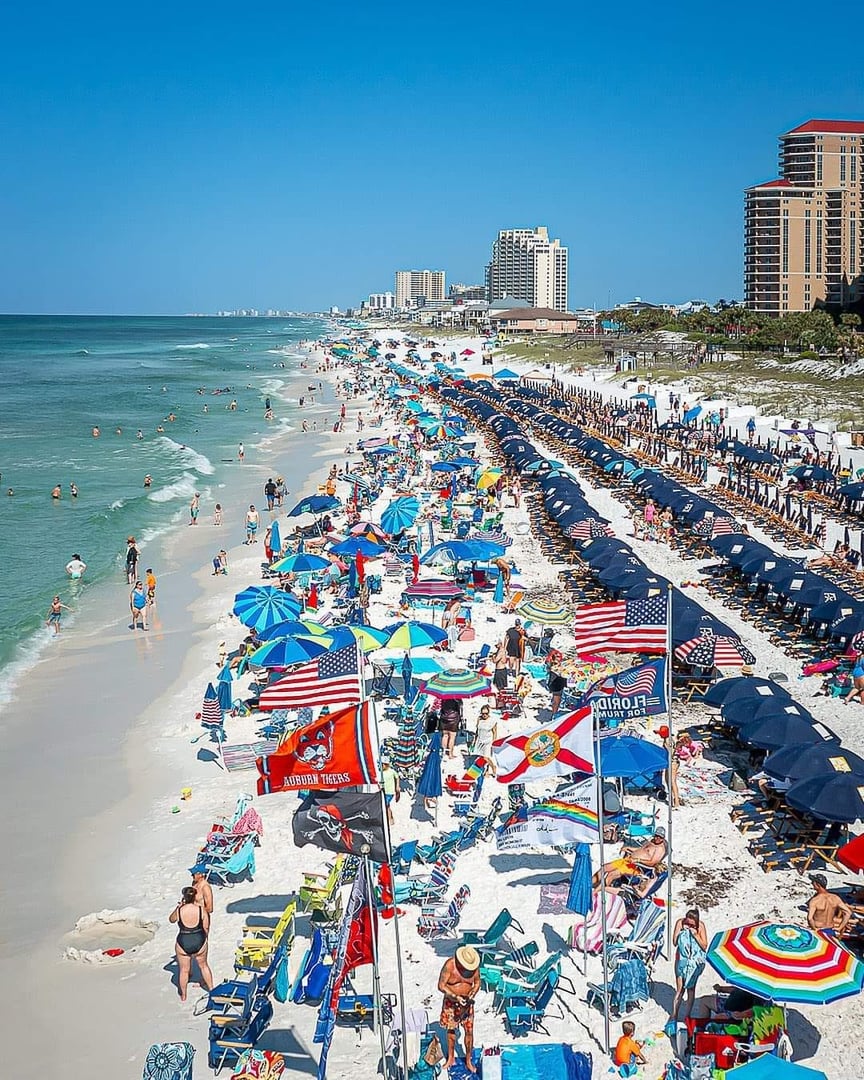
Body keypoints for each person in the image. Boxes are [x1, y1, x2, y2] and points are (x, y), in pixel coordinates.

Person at [438, 946, 481, 1073]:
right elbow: (441, 985)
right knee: (451, 1030)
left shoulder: (474, 968)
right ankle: (451, 1057)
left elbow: (477, 983)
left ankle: (468, 1060)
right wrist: (454, 996)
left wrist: (473, 993)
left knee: (469, 1031)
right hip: (451, 1003)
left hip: (467, 1004)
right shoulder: (450, 965)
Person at [169, 885, 214, 1002]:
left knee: (184, 970)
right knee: (204, 966)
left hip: (184, 941)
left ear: (184, 897)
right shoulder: (201, 910)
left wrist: (178, 907)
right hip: (198, 939)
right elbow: (206, 927)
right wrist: (204, 939)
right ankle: (211, 989)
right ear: (195, 896)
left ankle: (183, 995)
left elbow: (171, 919)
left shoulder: (180, 910)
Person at [595, 829, 667, 888]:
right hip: (628, 861)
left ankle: (600, 892)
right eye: (656, 836)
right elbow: (640, 850)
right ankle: (589, 884)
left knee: (611, 874)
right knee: (604, 867)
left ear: (663, 838)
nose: (658, 838)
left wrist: (637, 860)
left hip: (637, 867)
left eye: (660, 837)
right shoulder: (652, 841)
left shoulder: (660, 849)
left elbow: (652, 863)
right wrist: (628, 848)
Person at [671, 908, 708, 1019]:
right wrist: (682, 932)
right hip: (681, 959)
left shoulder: (701, 926)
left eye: (692, 925)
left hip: (694, 962)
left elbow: (704, 946)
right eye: (688, 923)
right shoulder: (680, 922)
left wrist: (696, 935)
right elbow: (674, 942)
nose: (689, 926)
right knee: (680, 989)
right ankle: (674, 1015)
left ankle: (687, 1015)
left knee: (691, 989)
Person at [472, 704, 497, 776]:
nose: (484, 715)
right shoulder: (479, 719)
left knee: (486, 757)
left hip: (488, 740)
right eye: (483, 713)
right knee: (482, 756)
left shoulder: (492, 721)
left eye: (486, 713)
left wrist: (494, 742)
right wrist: (474, 740)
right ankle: (486, 771)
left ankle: (493, 767)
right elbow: (477, 730)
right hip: (480, 740)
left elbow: (495, 732)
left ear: (488, 713)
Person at [545, 648, 567, 716]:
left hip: (555, 680)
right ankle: (554, 715)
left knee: (556, 699)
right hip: (556, 681)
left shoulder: (551, 656)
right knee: (557, 700)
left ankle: (554, 713)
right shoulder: (555, 657)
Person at [381, 756, 400, 824]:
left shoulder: (391, 771)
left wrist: (397, 787)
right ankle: (390, 819)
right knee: (387, 806)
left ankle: (389, 819)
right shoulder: (381, 772)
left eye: (382, 764)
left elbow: (397, 777)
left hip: (390, 792)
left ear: (386, 764)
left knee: (385, 805)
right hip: (383, 791)